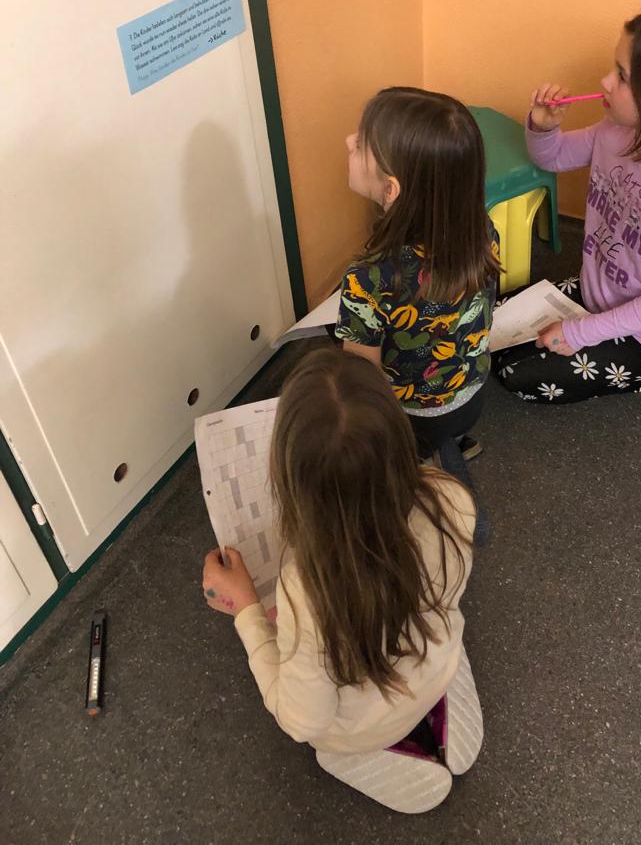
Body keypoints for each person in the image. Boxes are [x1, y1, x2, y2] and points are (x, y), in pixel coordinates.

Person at [201, 347, 482, 813]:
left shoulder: (306, 590)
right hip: (437, 659)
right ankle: (436, 706)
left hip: (360, 728)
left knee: (325, 738)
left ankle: (381, 746)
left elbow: (301, 721)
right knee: (429, 638)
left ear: (295, 485)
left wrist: (247, 610)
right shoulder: (451, 497)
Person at [495, 6, 641, 404]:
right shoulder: (617, 131)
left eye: (621, 76)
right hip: (595, 293)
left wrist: (579, 333)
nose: (605, 82)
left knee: (516, 375)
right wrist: (544, 127)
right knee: (492, 324)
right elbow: (552, 158)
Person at [334, 87, 500, 482]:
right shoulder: (482, 231)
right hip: (472, 396)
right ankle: (452, 442)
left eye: (362, 144)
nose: (349, 141)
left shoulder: (367, 278)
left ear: (390, 189)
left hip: (412, 419)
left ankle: (414, 463)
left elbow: (363, 381)